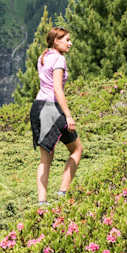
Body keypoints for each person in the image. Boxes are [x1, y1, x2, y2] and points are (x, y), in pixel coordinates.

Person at [29, 27, 84, 203]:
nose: (70, 43)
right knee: (77, 149)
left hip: (37, 107)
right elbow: (58, 90)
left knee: (45, 159)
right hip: (52, 108)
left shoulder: (42, 57)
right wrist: (68, 115)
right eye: (67, 40)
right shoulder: (59, 59)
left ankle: (42, 203)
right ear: (56, 41)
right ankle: (62, 193)